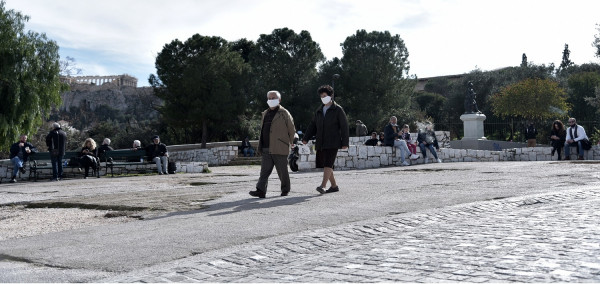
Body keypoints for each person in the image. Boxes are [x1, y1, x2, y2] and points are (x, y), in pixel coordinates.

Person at [303, 85, 349, 194]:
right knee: (326, 164)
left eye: (325, 95)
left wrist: (345, 142)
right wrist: (306, 138)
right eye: (321, 96)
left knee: (328, 163)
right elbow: (312, 125)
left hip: (333, 141)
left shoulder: (338, 109)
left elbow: (344, 126)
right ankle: (334, 186)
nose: (323, 97)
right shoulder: (319, 110)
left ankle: (323, 186)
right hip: (321, 142)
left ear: (331, 95)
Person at [249, 90, 296, 198]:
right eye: (269, 98)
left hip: (280, 146)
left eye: (273, 98)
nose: (271, 100)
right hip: (266, 147)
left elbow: (291, 129)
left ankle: (285, 190)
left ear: (279, 100)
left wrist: (292, 142)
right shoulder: (265, 113)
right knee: (264, 171)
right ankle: (260, 190)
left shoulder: (284, 113)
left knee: (282, 171)